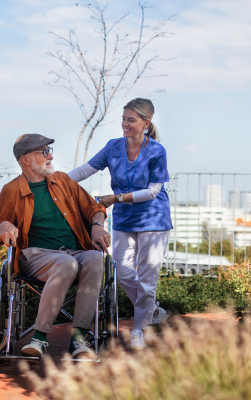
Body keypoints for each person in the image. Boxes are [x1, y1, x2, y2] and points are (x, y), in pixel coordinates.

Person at [0, 133, 111, 360]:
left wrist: (97, 225)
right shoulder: (11, 190)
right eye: (44, 152)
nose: (50, 156)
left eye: (49, 151)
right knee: (67, 263)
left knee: (95, 259)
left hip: (73, 253)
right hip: (36, 256)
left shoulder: (63, 181)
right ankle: (39, 338)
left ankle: (79, 338)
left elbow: (93, 208)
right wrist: (4, 226)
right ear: (26, 160)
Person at [68, 98, 173, 349]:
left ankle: (140, 330)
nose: (125, 124)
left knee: (147, 279)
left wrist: (115, 198)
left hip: (153, 220)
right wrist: (55, 182)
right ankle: (153, 310)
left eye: (131, 120)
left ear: (146, 123)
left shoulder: (156, 151)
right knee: (123, 273)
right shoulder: (113, 147)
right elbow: (84, 170)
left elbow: (152, 192)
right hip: (125, 220)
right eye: (124, 118)